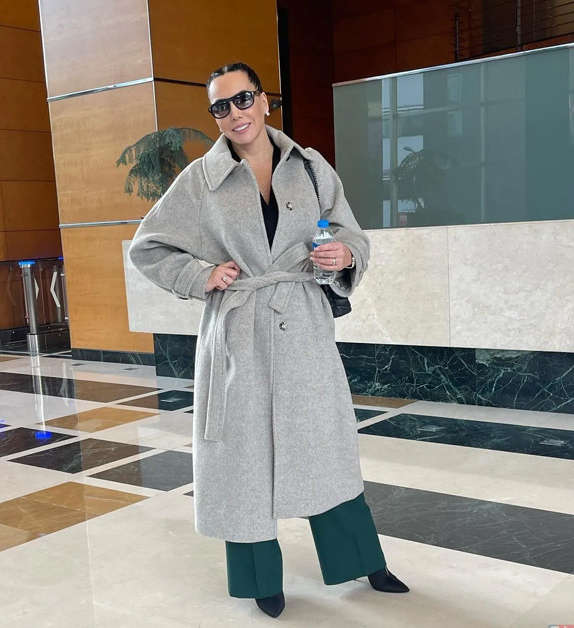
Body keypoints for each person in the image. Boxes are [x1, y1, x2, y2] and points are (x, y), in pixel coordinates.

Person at [129, 62, 408, 618]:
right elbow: (149, 246)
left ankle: (363, 561)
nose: (234, 113)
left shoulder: (310, 167)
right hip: (239, 331)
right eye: (221, 106)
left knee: (324, 448)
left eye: (243, 99)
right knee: (243, 461)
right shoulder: (201, 180)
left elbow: (349, 231)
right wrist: (200, 275)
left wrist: (344, 254)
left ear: (263, 100)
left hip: (303, 326)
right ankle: (260, 579)